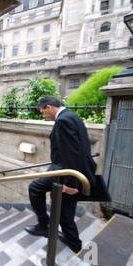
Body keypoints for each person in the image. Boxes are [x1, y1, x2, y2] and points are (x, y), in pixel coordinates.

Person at [24, 96, 97, 253]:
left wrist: (69, 184)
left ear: (49, 107)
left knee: (35, 188)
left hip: (68, 174)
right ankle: (73, 242)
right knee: (65, 212)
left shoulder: (63, 121)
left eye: (44, 112)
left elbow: (71, 153)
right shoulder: (72, 116)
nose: (45, 116)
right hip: (76, 172)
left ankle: (44, 226)